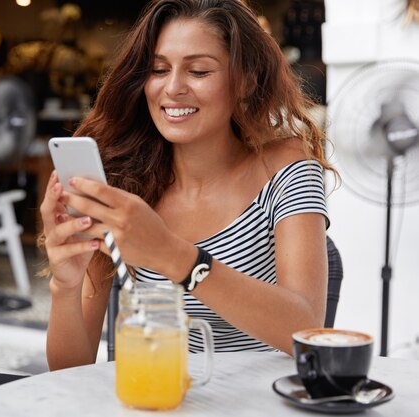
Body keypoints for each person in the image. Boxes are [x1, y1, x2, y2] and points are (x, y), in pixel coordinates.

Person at [41, 0, 336, 372]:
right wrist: (64, 286)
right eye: (159, 69)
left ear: (245, 80)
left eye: (198, 71)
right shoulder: (127, 181)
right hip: (163, 396)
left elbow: (307, 329)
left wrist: (172, 254)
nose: (173, 88)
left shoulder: (287, 167)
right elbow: (70, 368)